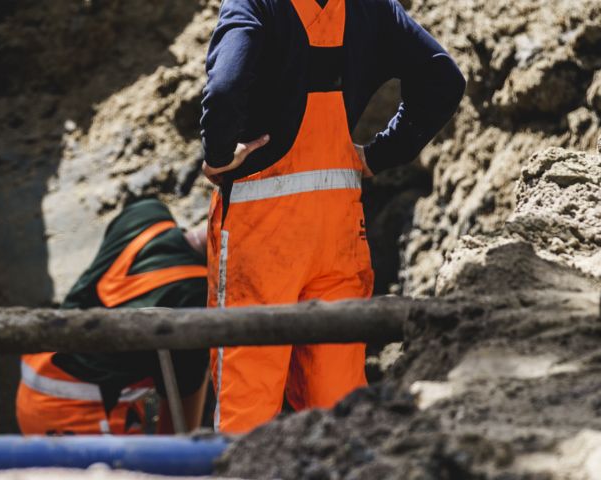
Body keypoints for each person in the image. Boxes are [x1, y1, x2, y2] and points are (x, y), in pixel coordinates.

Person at [198, 0, 463, 434]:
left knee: (246, 406)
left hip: (260, 233)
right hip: (339, 228)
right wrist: (382, 153)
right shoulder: (371, 8)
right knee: (339, 400)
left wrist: (219, 154)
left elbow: (224, 89)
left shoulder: (254, 4)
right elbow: (443, 78)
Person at [17, 199, 211, 435]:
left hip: (39, 372)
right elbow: (179, 430)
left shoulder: (147, 214)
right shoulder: (194, 299)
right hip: (79, 413)